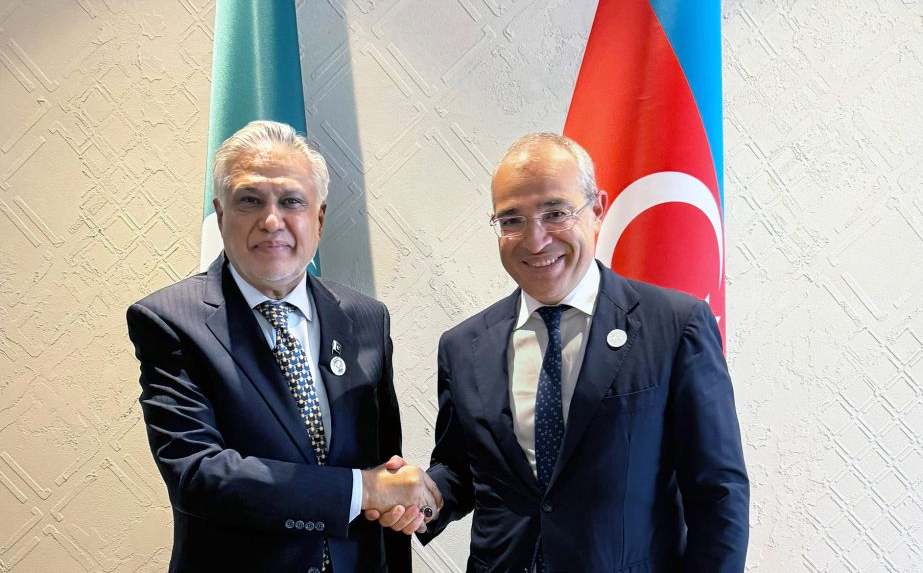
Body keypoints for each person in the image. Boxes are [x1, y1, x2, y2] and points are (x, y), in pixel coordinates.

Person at [372, 132, 749, 571]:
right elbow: (462, 469)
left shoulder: (674, 326)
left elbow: (719, 493)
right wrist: (424, 496)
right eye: (512, 220)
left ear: (597, 210)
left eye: (555, 213)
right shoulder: (463, 346)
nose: (535, 241)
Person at [127, 120, 440, 573]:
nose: (272, 221)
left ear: (319, 218)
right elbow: (198, 475)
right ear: (221, 214)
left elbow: (382, 468)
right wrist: (363, 490)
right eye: (250, 200)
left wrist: (398, 498)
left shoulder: (367, 317)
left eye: (292, 201)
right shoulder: (170, 321)